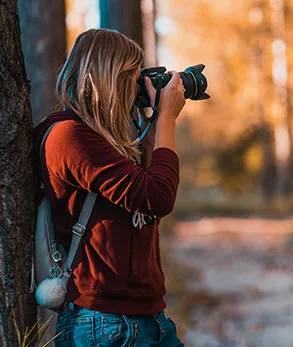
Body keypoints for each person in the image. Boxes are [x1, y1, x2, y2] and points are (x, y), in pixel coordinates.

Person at [32, 28, 185, 346]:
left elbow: (150, 185)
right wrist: (167, 118)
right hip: (104, 322)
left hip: (148, 318)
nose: (137, 86)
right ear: (110, 78)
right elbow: (157, 196)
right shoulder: (69, 137)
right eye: (133, 76)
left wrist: (155, 117)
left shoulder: (110, 140)